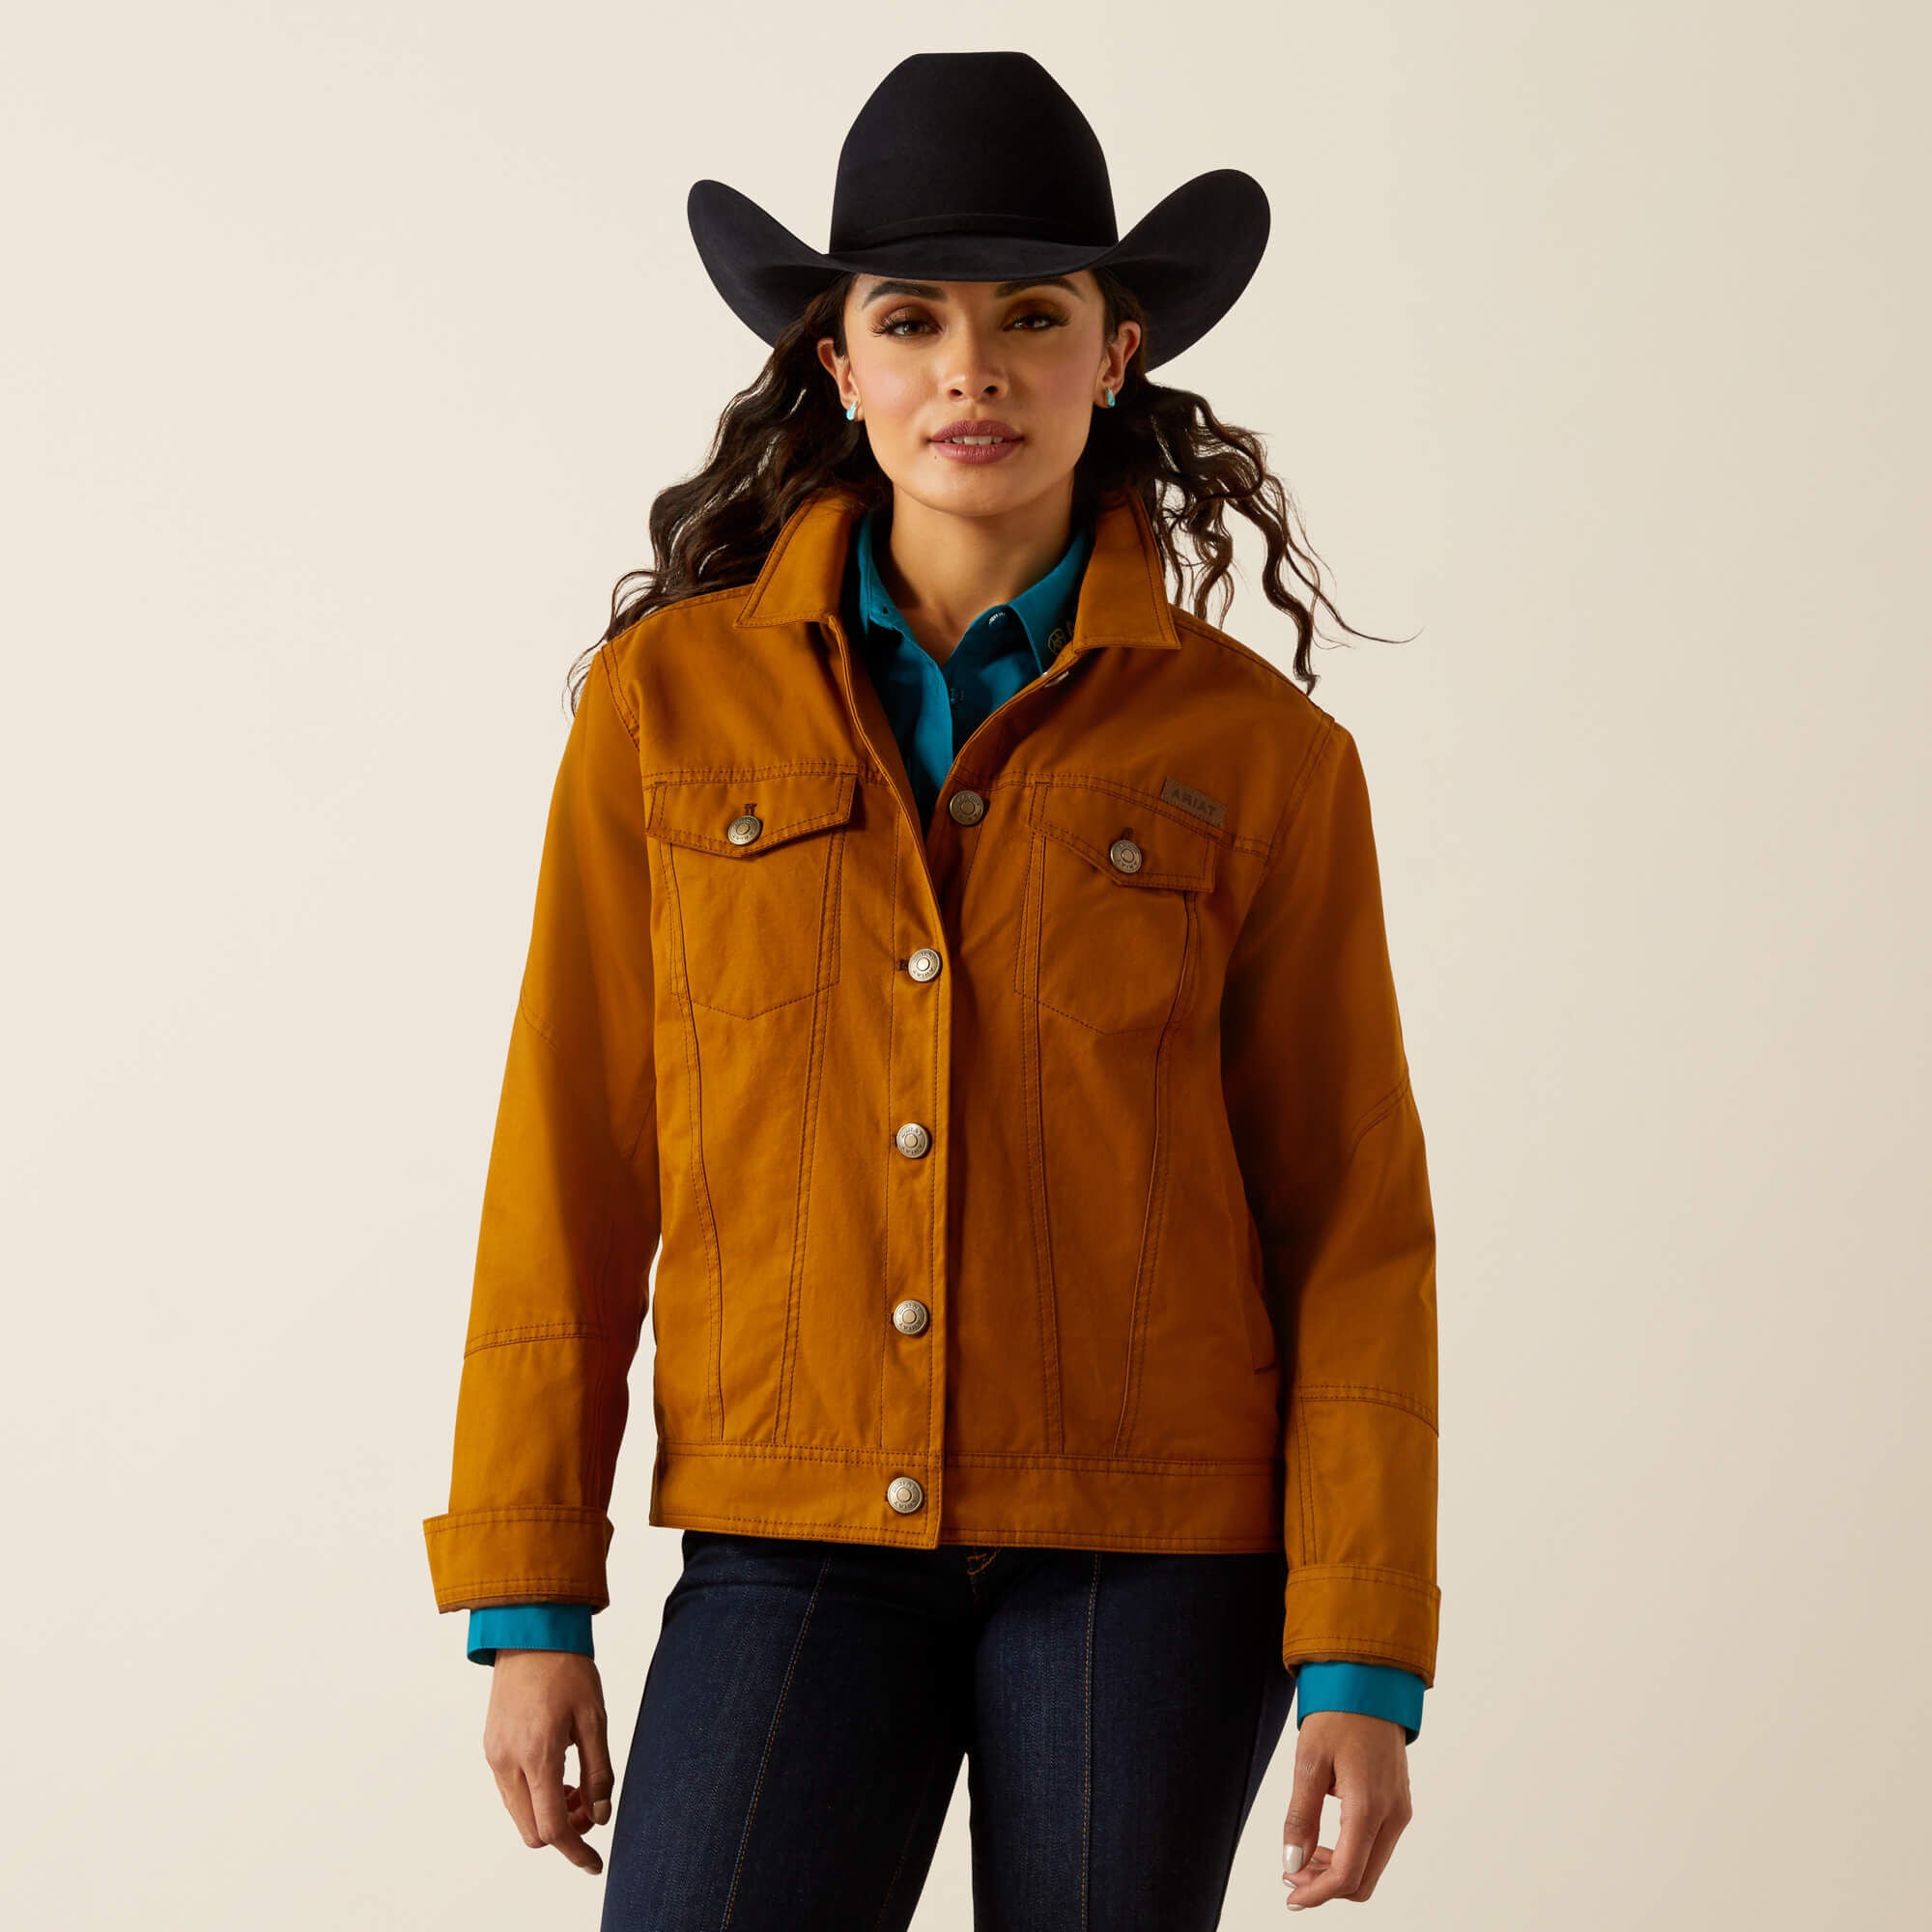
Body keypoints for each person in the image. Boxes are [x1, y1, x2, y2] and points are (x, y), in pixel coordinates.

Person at [421, 49, 1440, 1927]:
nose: (974, 370)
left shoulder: (1261, 756)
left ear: (1115, 352)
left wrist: (1362, 1646)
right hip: (789, 1523)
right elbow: (571, 1148)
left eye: (1032, 316)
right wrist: (526, 1590)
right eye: (913, 320)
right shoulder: (665, 709)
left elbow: (1351, 1217)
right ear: (839, 362)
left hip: (1153, 1549)